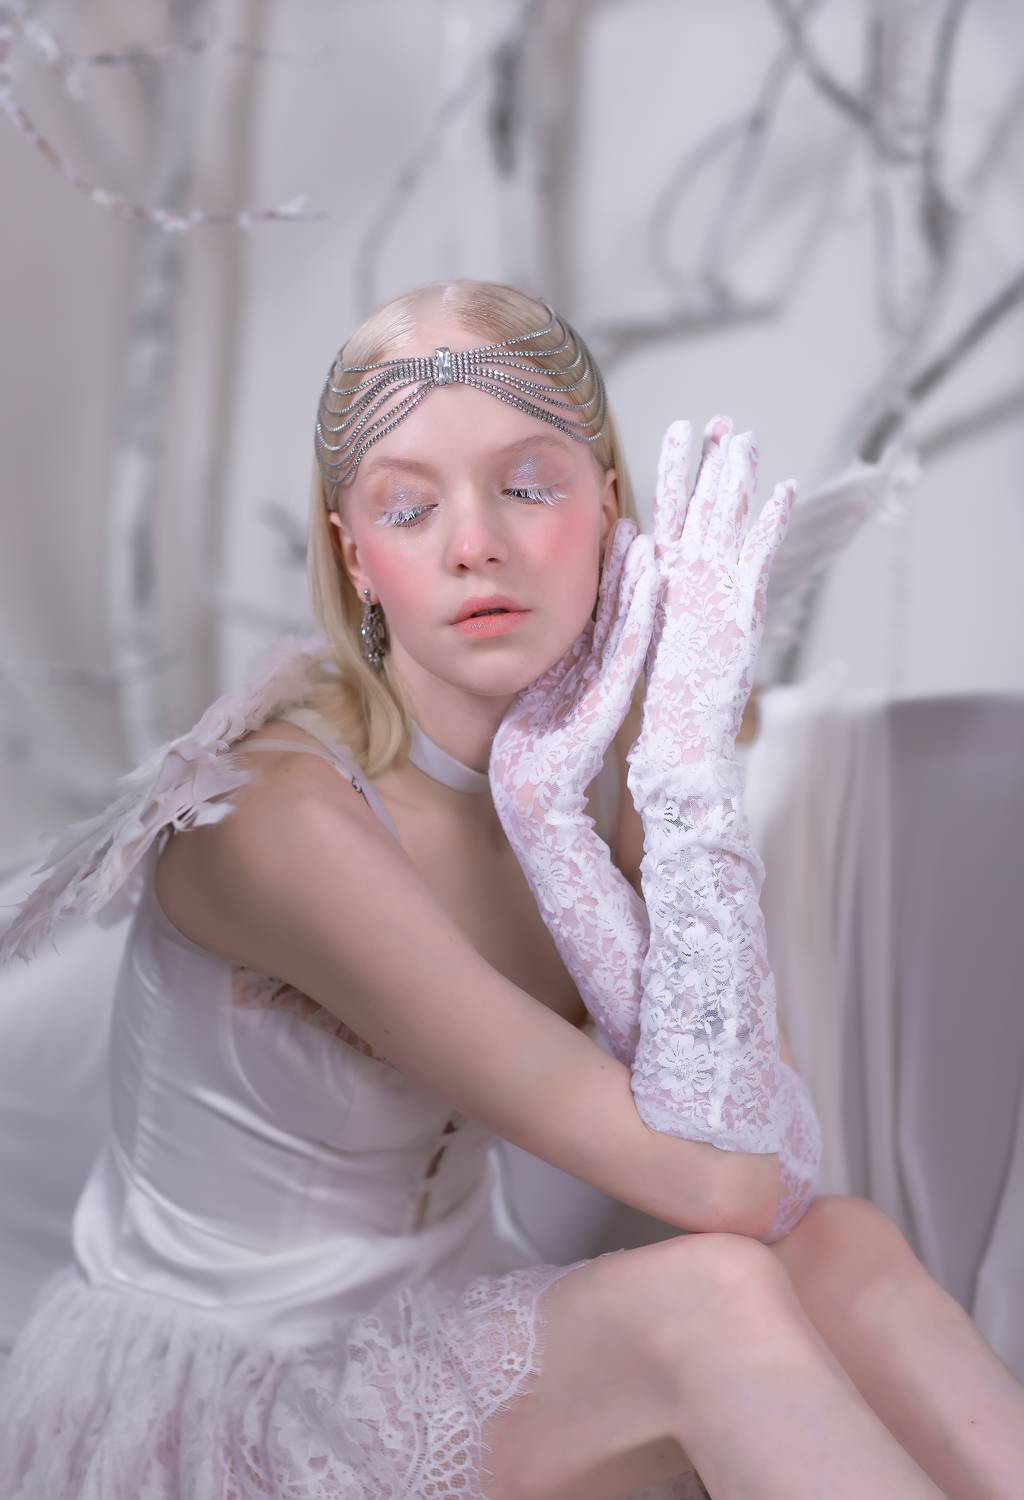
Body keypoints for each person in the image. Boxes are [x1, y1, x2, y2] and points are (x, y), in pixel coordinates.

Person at [0, 279, 1020, 1500]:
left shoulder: (587, 770)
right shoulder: (279, 824)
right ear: (355, 558)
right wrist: (677, 777)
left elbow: (777, 1170)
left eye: (527, 487)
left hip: (449, 1341)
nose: (472, 542)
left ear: (606, 507)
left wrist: (601, 801)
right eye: (408, 507)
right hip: (231, 1408)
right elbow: (726, 1189)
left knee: (839, 1244)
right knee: (713, 1297)